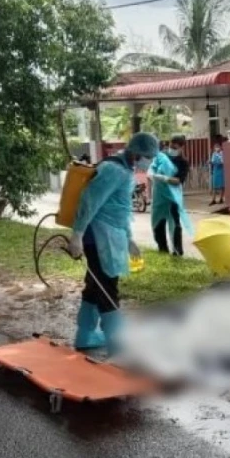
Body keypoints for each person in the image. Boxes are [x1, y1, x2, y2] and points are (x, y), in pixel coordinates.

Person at [67, 132, 157, 354]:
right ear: (136, 154)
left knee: (95, 285)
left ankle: (86, 335)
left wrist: (129, 239)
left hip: (110, 237)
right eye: (149, 157)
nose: (150, 162)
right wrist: (77, 234)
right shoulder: (114, 170)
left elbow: (120, 209)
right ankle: (117, 341)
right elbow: (89, 201)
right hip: (98, 237)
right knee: (107, 286)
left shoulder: (125, 170)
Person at [148, 139, 193, 257]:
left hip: (172, 197)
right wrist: (151, 174)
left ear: (182, 147)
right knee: (157, 224)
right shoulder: (161, 157)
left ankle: (177, 252)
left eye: (175, 147)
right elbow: (151, 168)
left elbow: (178, 181)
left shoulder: (183, 162)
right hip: (158, 196)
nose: (171, 149)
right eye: (170, 146)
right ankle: (162, 250)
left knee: (174, 225)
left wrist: (163, 178)